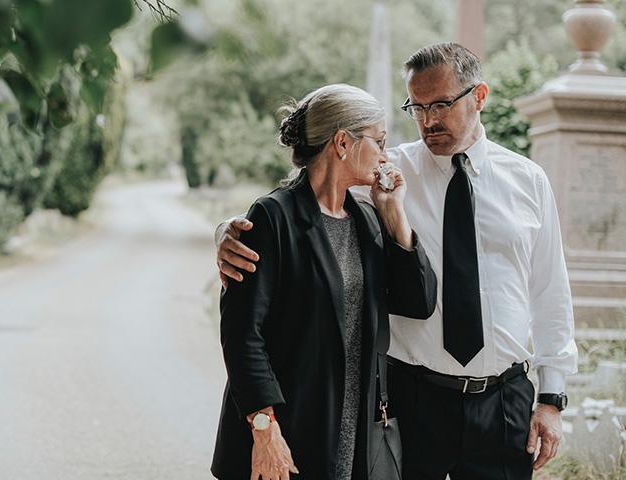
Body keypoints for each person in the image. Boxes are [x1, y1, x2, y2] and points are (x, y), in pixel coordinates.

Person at [215, 43, 578, 480]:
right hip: (412, 399)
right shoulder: (384, 174)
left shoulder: (526, 180)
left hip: (503, 402)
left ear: (479, 97)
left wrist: (552, 398)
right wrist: (224, 232)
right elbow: (298, 202)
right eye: (417, 107)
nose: (427, 121)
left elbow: (549, 291)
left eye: (441, 104)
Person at [211, 84, 437, 480]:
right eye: (379, 141)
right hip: (284, 432)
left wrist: (394, 215)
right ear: (343, 143)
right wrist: (265, 431)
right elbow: (242, 334)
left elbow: (417, 303)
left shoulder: (366, 220)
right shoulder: (272, 217)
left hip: (353, 436)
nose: (385, 155)